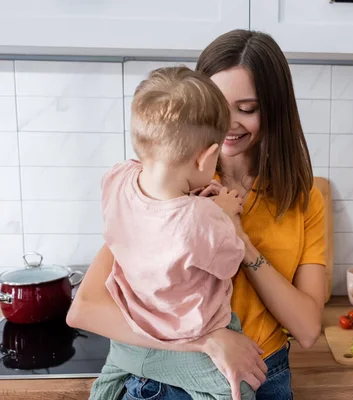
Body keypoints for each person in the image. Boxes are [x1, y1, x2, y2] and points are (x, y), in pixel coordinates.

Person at [67, 29, 327, 400]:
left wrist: (238, 236)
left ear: (273, 109)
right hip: (174, 379)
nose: (228, 124)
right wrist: (208, 341)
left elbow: (306, 328)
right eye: (218, 107)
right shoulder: (169, 185)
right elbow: (87, 310)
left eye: (247, 109)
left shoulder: (303, 199)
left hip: (269, 376)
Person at [88, 66, 256, 400]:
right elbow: (229, 262)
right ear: (207, 156)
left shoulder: (117, 178)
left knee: (108, 382)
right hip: (188, 340)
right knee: (240, 389)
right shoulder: (202, 219)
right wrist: (223, 211)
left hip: (130, 333)